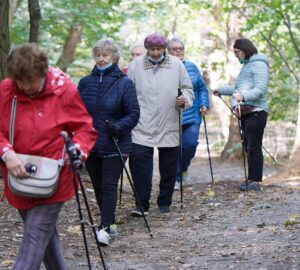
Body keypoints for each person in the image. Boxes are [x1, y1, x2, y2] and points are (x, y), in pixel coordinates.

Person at [0, 43, 97, 270]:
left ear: (43, 73)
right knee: (44, 236)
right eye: (20, 81)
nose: (25, 86)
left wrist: (77, 151)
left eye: (30, 80)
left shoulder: (64, 90)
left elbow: (85, 128)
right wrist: (6, 152)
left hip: (55, 176)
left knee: (36, 234)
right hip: (19, 175)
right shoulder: (6, 90)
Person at [78, 38, 140, 246]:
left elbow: (133, 114)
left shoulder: (125, 83)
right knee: (97, 184)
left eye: (105, 55)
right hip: (91, 143)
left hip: (116, 142)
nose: (101, 59)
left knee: (109, 184)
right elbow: (77, 113)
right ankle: (110, 221)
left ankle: (104, 227)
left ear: (114, 57)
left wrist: (118, 126)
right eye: (98, 55)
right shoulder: (85, 83)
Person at [128, 33, 194, 215]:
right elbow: (128, 91)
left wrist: (184, 99)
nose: (155, 53)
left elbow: (188, 89)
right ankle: (141, 204)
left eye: (158, 49)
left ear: (164, 48)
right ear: (147, 49)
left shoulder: (176, 64)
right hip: (142, 123)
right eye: (152, 49)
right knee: (140, 166)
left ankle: (164, 201)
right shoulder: (135, 65)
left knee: (168, 167)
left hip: (169, 120)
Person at [213, 38, 269, 191]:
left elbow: (260, 89)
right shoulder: (247, 66)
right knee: (249, 147)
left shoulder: (258, 65)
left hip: (256, 112)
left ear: (244, 50)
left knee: (254, 147)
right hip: (247, 113)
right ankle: (251, 179)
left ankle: (256, 182)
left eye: (237, 52)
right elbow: (238, 88)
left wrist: (244, 97)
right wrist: (221, 90)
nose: (236, 55)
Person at [168, 37, 210, 190]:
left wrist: (204, 104)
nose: (179, 51)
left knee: (190, 145)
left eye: (181, 48)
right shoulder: (164, 69)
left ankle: (182, 169)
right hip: (171, 116)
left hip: (192, 115)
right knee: (173, 149)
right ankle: (176, 178)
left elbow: (201, 89)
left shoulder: (192, 67)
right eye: (175, 48)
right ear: (168, 52)